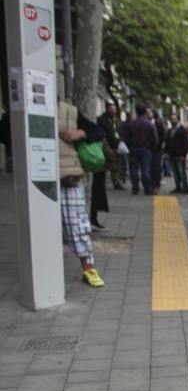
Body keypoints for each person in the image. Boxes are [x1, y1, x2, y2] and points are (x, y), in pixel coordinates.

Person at [58, 100, 106, 287]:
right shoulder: (24, 111)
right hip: (36, 177)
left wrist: (79, 133)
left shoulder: (69, 111)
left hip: (69, 176)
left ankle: (88, 268)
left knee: (77, 224)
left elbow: (97, 131)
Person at [122, 104, 157, 194]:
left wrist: (129, 146)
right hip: (146, 149)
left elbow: (126, 137)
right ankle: (147, 188)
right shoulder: (149, 124)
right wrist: (153, 147)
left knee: (134, 169)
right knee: (145, 169)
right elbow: (154, 138)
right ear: (145, 112)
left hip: (133, 148)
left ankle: (135, 188)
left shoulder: (131, 124)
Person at [96, 101, 126, 190]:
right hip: (107, 144)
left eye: (115, 109)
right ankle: (102, 181)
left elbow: (120, 131)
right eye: (112, 109)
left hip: (117, 145)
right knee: (105, 163)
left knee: (116, 165)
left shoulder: (116, 119)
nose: (114, 111)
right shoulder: (102, 119)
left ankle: (116, 182)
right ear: (108, 109)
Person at [165, 113, 188, 193]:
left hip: (180, 155)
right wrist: (166, 152)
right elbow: (168, 142)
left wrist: (184, 154)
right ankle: (178, 187)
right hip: (171, 155)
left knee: (181, 172)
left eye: (174, 119)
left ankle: (185, 188)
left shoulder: (182, 130)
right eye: (171, 119)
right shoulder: (170, 130)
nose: (172, 120)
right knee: (175, 172)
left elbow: (186, 143)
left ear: (178, 119)